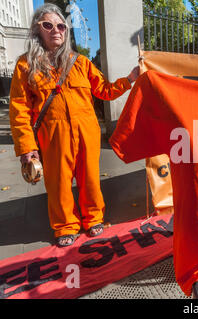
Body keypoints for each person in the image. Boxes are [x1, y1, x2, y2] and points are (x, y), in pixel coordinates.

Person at [9, 4, 140, 247]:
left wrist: (130, 79)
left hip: (87, 132)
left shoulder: (80, 62)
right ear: (38, 30)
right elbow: (19, 109)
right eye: (48, 25)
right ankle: (65, 225)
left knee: (90, 179)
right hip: (54, 135)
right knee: (58, 183)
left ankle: (94, 218)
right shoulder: (25, 65)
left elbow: (104, 90)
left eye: (61, 26)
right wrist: (27, 147)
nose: (56, 30)